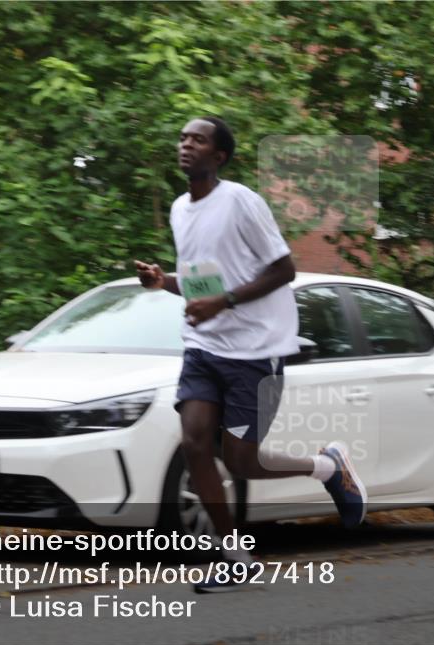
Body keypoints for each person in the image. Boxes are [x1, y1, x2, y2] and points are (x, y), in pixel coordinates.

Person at [134, 117, 367, 591]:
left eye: (197, 140)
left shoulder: (241, 201)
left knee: (240, 461)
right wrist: (165, 283)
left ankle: (328, 466)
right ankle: (236, 557)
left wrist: (224, 302)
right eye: (182, 138)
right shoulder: (181, 209)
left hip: (256, 352)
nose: (185, 145)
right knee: (197, 443)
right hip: (204, 346)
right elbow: (204, 284)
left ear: (218, 156)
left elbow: (284, 269)